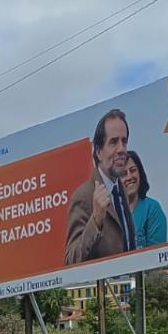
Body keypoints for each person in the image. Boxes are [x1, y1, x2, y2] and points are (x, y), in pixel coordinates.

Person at [64, 109, 137, 263]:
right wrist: (96, 221)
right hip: (103, 287)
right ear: (98, 152)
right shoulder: (84, 196)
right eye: (113, 142)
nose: (121, 149)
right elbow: (70, 260)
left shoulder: (120, 189)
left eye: (124, 141)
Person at [122, 150, 167, 248]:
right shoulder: (112, 214)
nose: (129, 177)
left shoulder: (152, 209)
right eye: (123, 174)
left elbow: (156, 255)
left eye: (133, 170)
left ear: (140, 173)